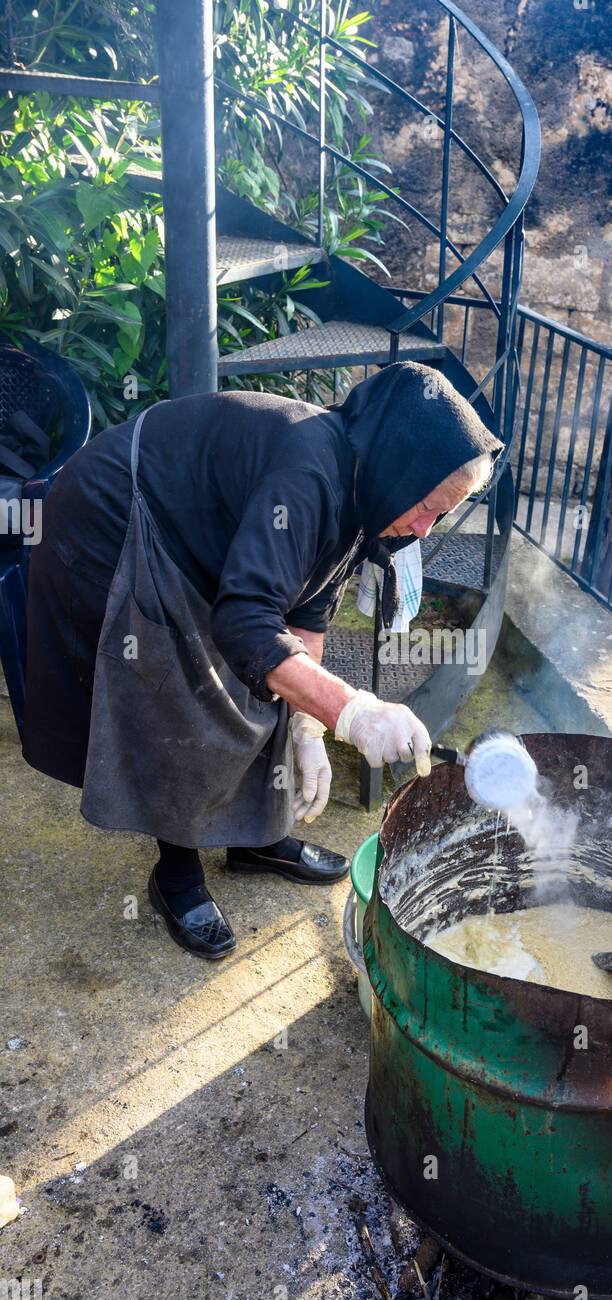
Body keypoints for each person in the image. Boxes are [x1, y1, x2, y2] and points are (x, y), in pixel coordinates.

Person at [23, 362, 501, 960]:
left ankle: (253, 838)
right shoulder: (307, 473)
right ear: (402, 467)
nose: (425, 531)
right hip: (114, 520)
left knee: (280, 678)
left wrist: (308, 721)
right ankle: (176, 876)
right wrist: (351, 712)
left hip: (195, 542)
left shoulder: (368, 486)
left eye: (442, 514)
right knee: (182, 688)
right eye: (427, 507)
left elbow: (308, 611)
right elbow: (246, 623)